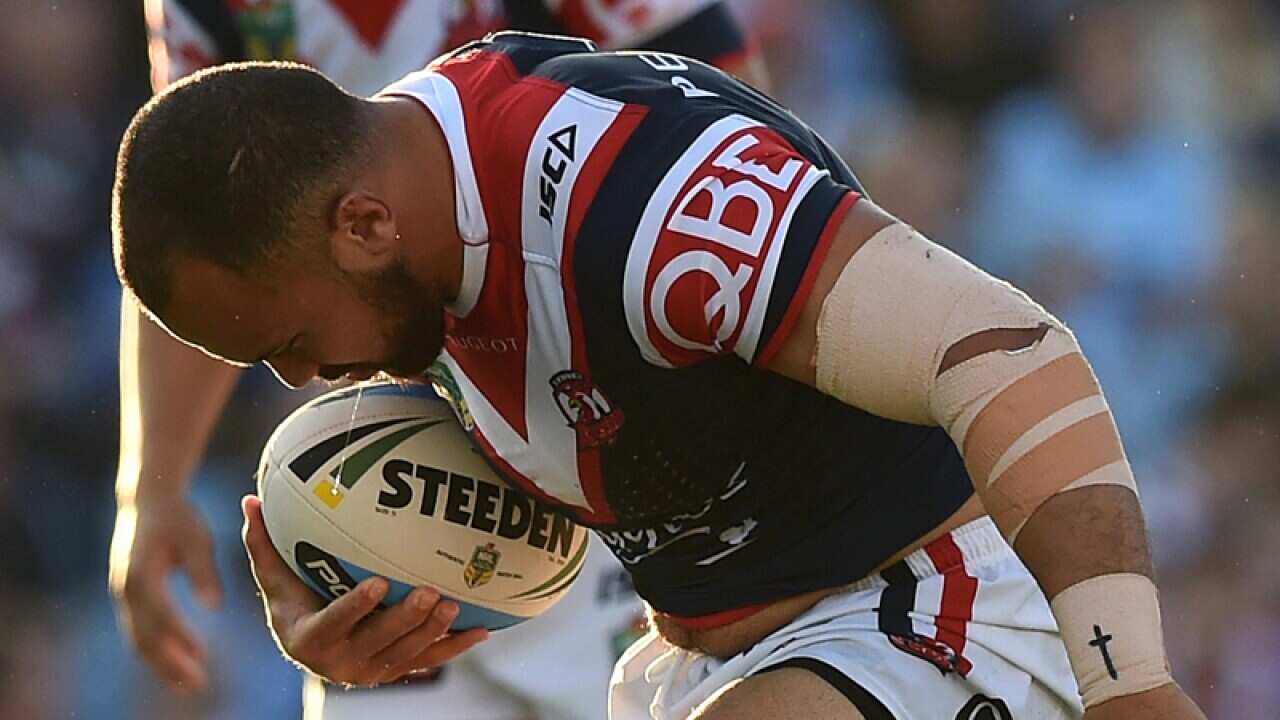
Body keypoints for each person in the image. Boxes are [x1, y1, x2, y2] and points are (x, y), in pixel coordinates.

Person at [109, 31, 1208, 720]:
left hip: (941, 604)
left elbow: (1007, 354)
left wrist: (1128, 683)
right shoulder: (405, 222)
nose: (304, 380)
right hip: (693, 653)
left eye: (287, 340)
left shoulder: (644, 199)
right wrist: (379, 621)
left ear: (360, 225)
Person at [111, 2, 761, 718]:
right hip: (397, 464)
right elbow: (196, 223)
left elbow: (728, 136)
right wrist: (151, 487)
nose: (284, 378)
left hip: (606, 429)